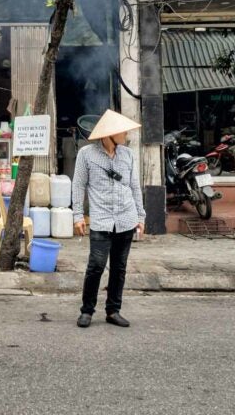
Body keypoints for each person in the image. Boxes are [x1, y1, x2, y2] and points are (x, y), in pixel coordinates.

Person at [72, 109, 145, 329]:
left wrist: (140, 215)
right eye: (122, 132)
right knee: (96, 265)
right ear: (108, 135)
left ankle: (113, 311)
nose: (126, 135)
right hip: (102, 219)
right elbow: (78, 185)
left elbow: (134, 187)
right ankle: (87, 310)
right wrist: (77, 215)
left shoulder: (128, 155)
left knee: (119, 267)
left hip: (126, 217)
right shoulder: (86, 154)